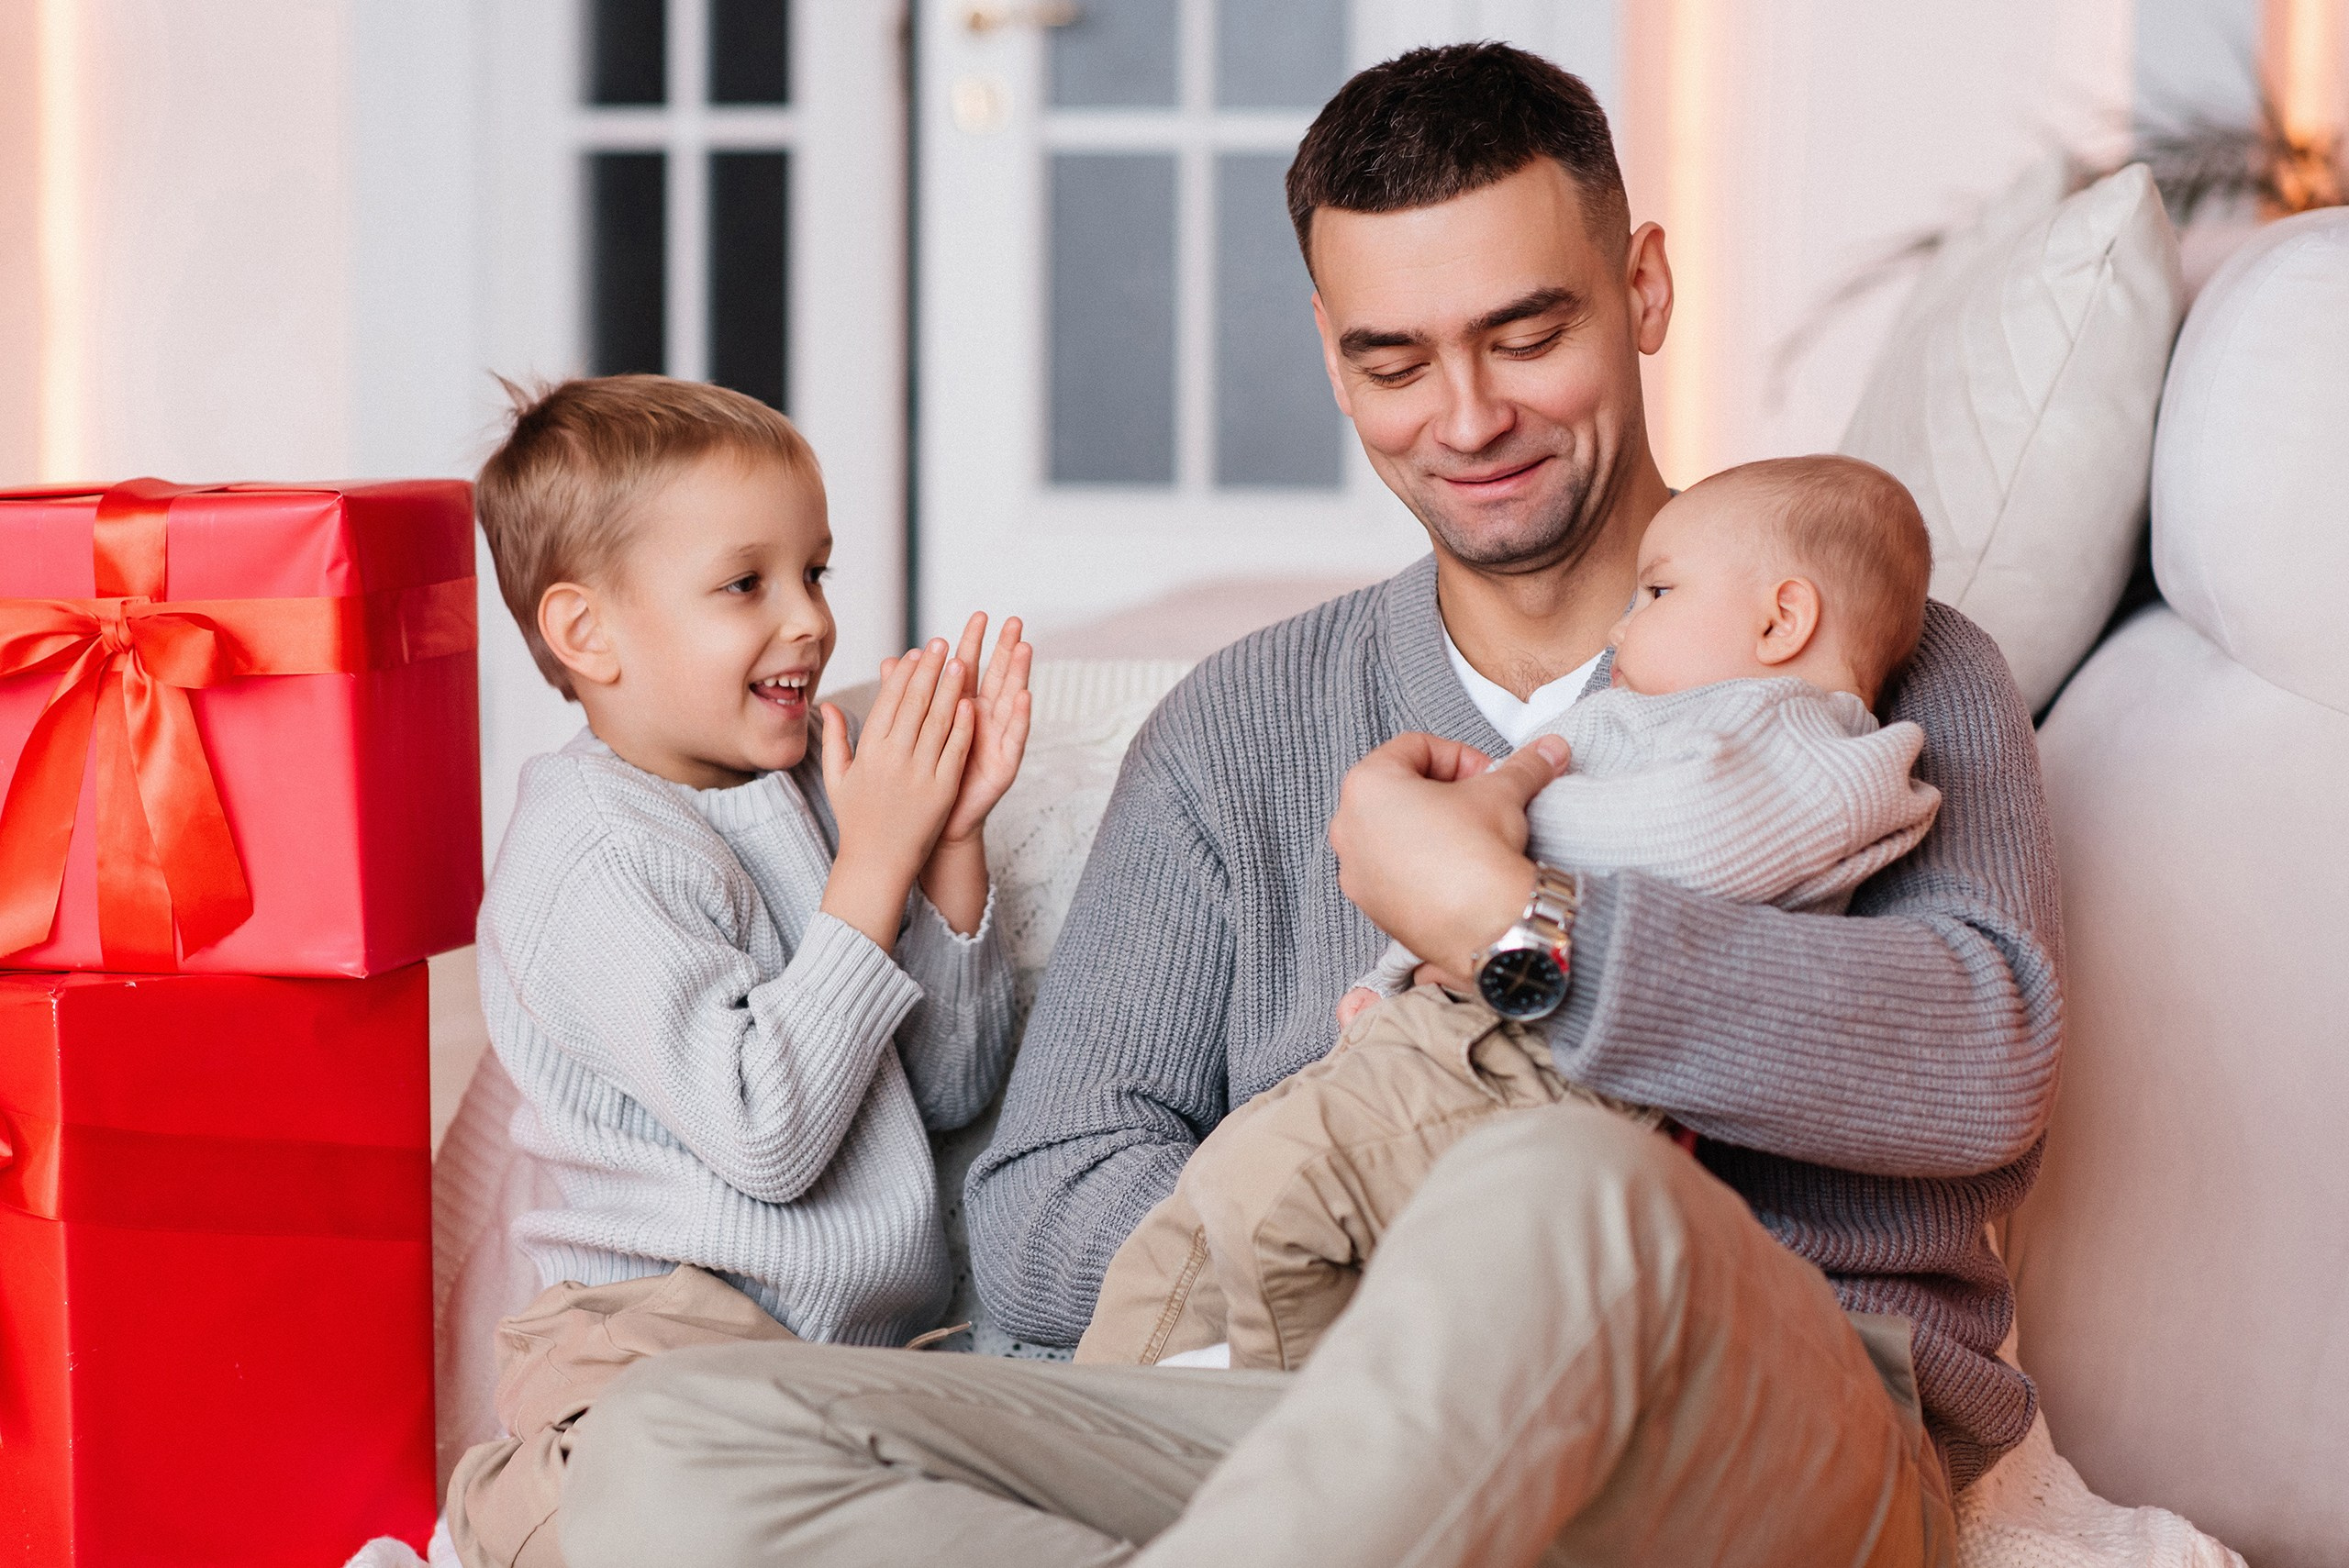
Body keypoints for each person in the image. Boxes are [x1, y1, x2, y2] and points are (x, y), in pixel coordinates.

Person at [551, 44, 2054, 1566]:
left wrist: (1504, 924)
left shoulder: (1865, 660)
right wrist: (1363, 1183)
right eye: (1397, 363)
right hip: (1320, 1429)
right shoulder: (1239, 727)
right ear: (1336, 363)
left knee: (1553, 1183)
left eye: (1527, 335)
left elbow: (1985, 1052)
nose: (1467, 418)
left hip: (1748, 1420)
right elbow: (1040, 1195)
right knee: (674, 1443)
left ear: (1645, 290)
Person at [1075, 454, 1946, 1371]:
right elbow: (1437, 898)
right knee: (1188, 1220)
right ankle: (1094, 1435)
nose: (1622, 623)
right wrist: (1390, 975)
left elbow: (1694, 840)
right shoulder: (1648, 715)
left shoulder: (1816, 744)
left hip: (1546, 1078)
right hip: (1438, 1033)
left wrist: (1488, 836)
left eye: (1656, 593)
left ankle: (1271, 1446)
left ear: (1781, 618)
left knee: (1272, 1191)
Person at [446, 375, 1031, 1567]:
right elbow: (766, 1129)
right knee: (649, 1514)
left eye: (816, 572)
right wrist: (871, 862)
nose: (810, 619)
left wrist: (950, 845)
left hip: (829, 1360)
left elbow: (945, 1092)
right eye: (746, 584)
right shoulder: (593, 851)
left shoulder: (803, 792)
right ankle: (493, 1534)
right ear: (586, 633)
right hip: (646, 1355)